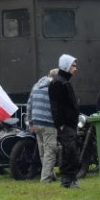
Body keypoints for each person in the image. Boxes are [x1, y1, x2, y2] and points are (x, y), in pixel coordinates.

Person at [49, 55, 81, 189]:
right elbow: (56, 105)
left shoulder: (63, 81)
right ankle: (69, 179)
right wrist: (60, 123)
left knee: (70, 151)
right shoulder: (59, 82)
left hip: (69, 123)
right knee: (70, 151)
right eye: (73, 66)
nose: (75, 69)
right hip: (65, 124)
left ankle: (68, 180)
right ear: (66, 66)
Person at [28, 68, 58, 183]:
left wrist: (30, 122)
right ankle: (45, 179)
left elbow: (29, 104)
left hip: (36, 122)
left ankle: (50, 175)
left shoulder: (36, 86)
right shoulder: (54, 88)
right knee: (50, 151)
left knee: (43, 151)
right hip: (48, 123)